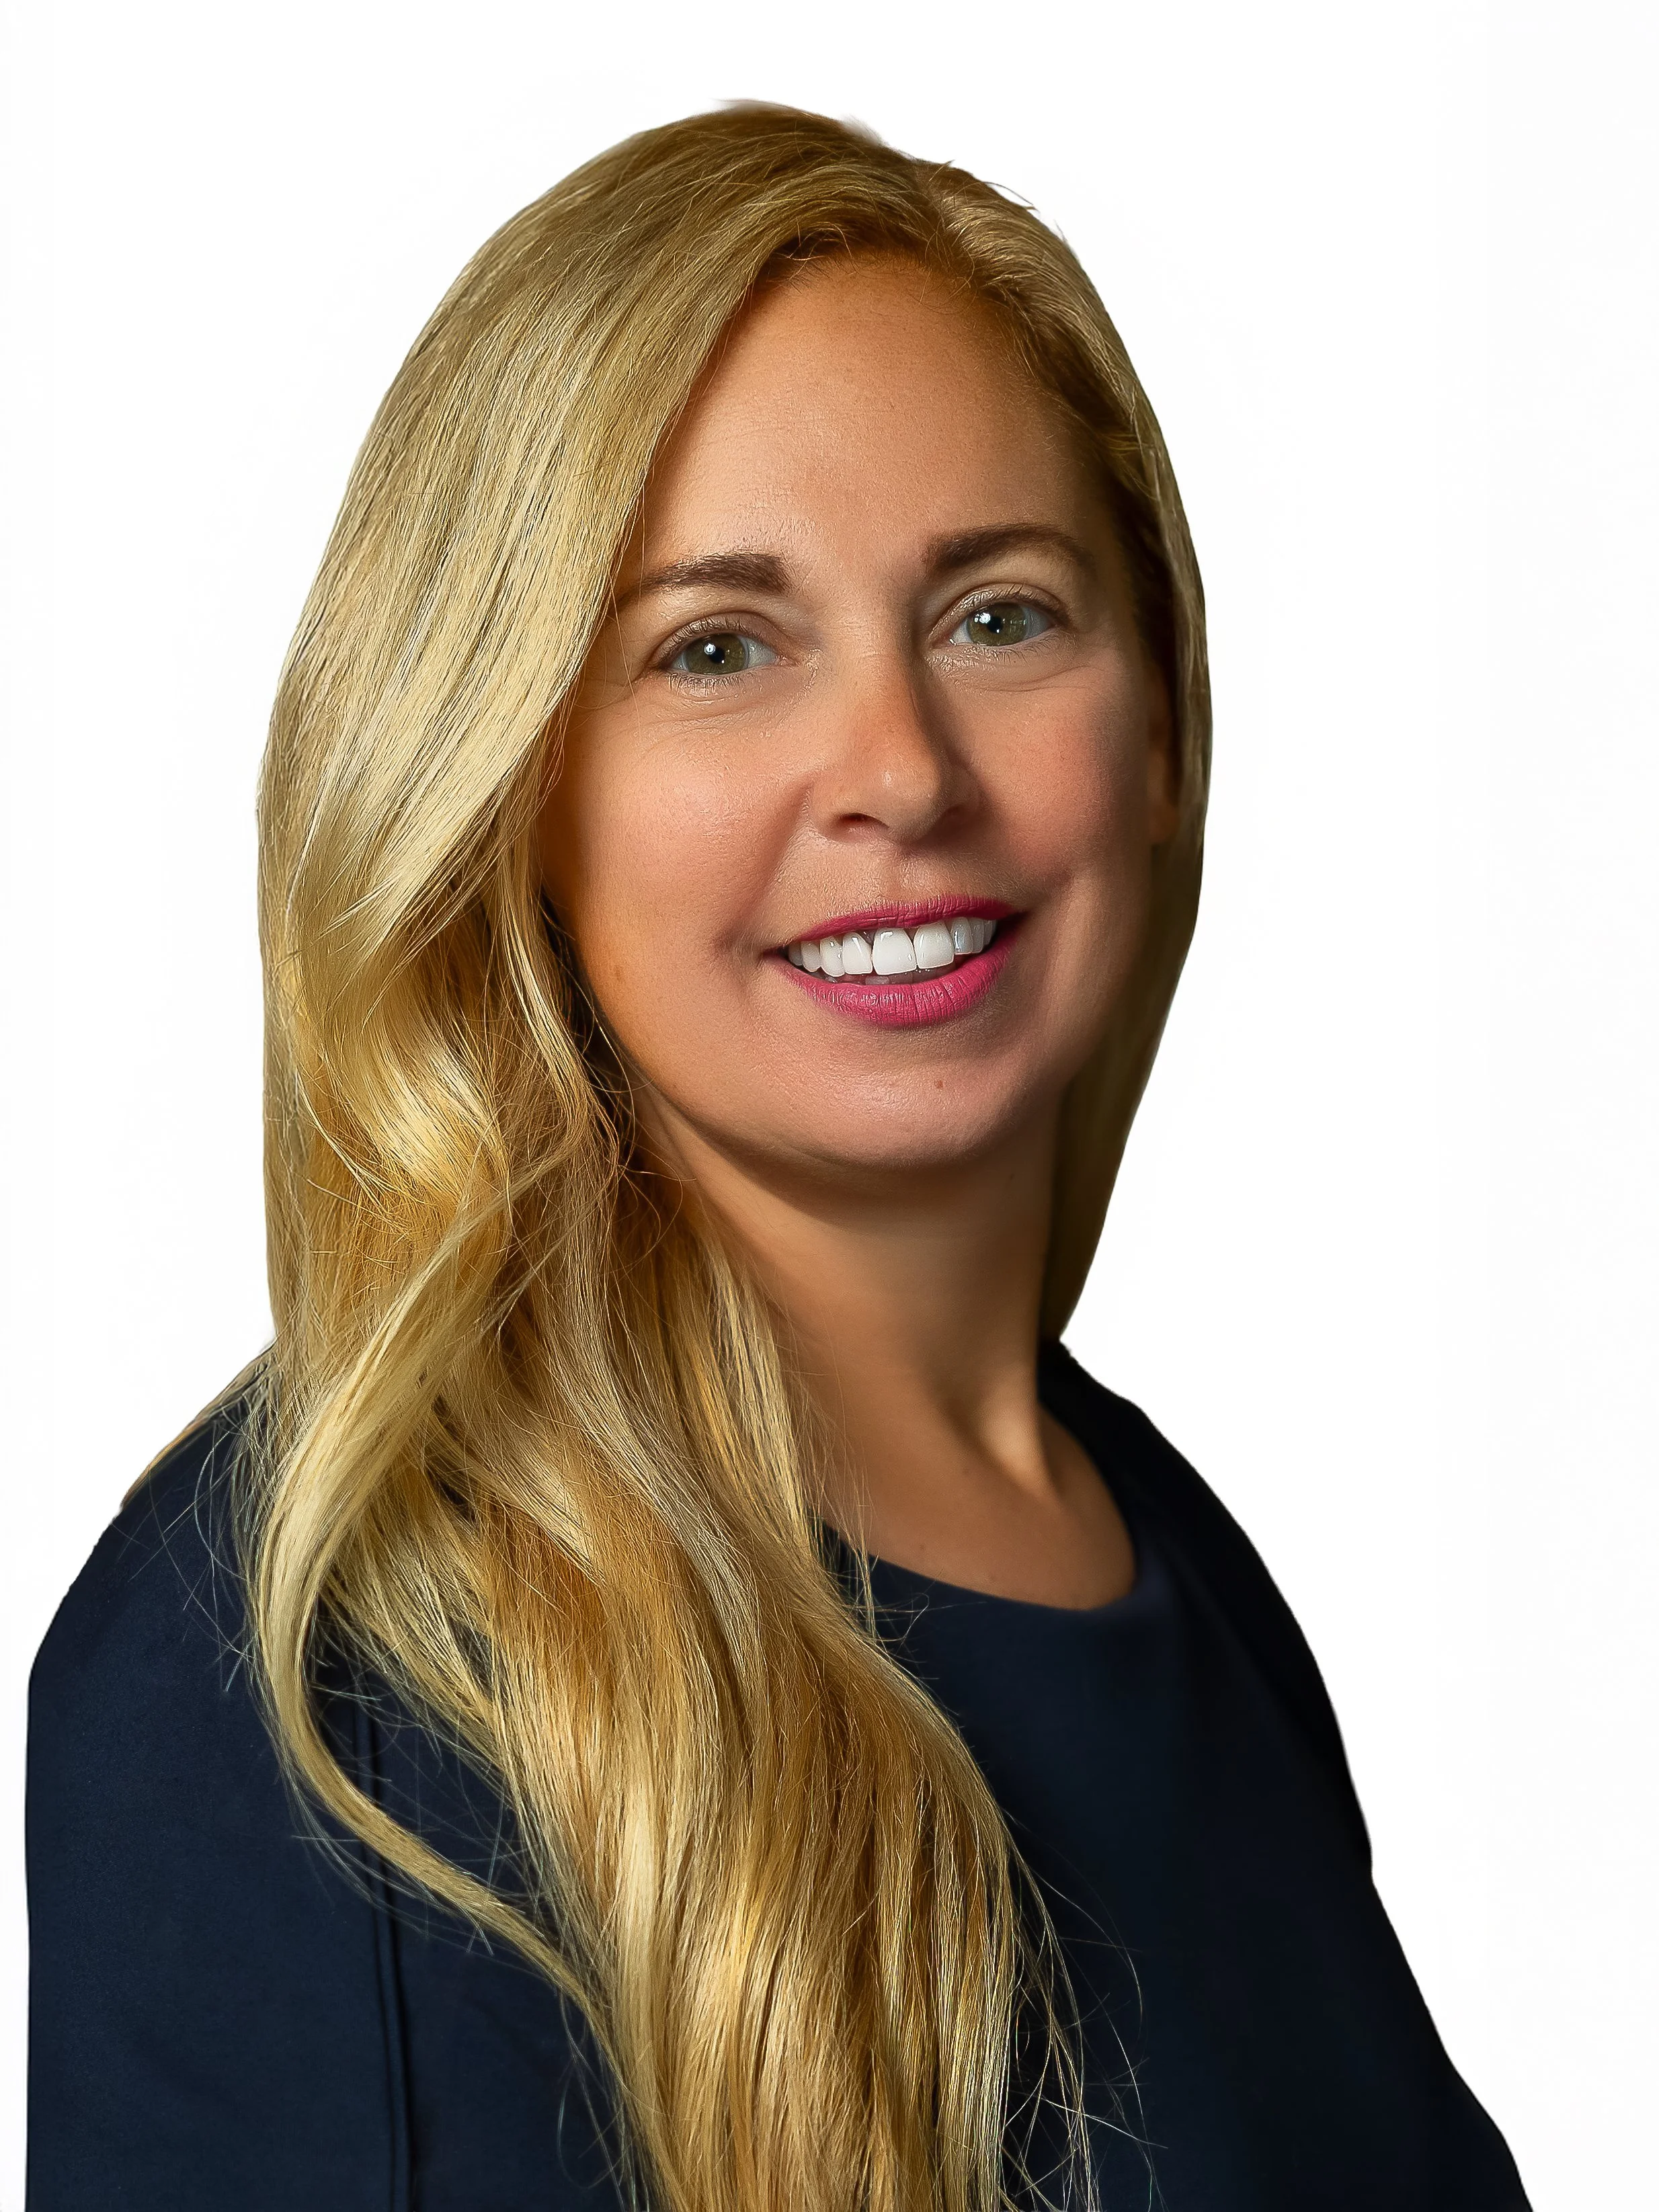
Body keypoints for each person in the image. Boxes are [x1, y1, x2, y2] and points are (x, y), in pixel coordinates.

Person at [26, 105, 1530, 2212]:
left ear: (1163, 727)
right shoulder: (321, 1662)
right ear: (505, 787)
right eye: (713, 650)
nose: (902, 774)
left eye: (1000, 617)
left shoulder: (1171, 1560)